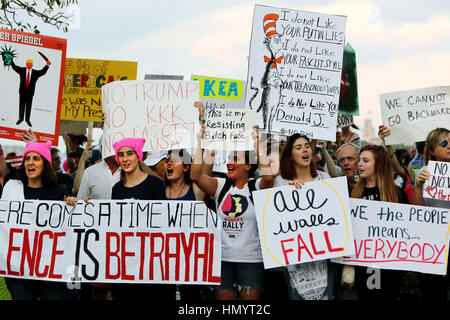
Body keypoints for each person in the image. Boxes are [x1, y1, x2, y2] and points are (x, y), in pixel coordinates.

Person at [190, 125, 274, 300]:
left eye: (235, 158)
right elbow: (195, 176)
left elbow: (268, 177)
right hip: (222, 261)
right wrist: (200, 144)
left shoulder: (256, 187)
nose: (229, 162)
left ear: (248, 166)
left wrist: (258, 144)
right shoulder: (221, 186)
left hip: (251, 262)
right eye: (229, 158)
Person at [1, 141, 77, 300]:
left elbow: (67, 231)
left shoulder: (59, 192)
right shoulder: (11, 188)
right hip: (18, 267)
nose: (30, 162)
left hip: (48, 269)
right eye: (27, 158)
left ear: (45, 164)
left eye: (36, 158)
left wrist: (74, 207)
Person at [108, 137, 175, 301]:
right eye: (121, 155)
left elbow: (162, 222)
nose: (125, 159)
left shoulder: (155, 184)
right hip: (126, 263)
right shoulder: (116, 189)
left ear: (138, 156)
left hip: (150, 263)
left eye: (130, 154)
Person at [272, 133, 335, 300]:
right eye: (298, 147)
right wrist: (287, 192)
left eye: (307, 146)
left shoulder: (325, 179)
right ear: (290, 156)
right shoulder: (281, 182)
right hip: (294, 263)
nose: (305, 149)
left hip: (324, 260)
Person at [349, 144, 409, 301]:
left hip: (391, 264)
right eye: (360, 160)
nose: (359, 164)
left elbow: (407, 228)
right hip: (366, 264)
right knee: (369, 295)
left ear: (379, 164)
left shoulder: (395, 194)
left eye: (366, 160)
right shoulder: (353, 194)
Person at [412, 127, 450, 300]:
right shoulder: (425, 174)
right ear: (432, 150)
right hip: (435, 241)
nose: (449, 146)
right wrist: (418, 187)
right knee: (434, 291)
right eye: (444, 143)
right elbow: (418, 212)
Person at [10, 55, 51, 127]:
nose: (29, 65)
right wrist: (11, 60)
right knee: (21, 105)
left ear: (32, 65)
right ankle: (20, 118)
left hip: (30, 93)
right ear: (26, 64)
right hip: (22, 92)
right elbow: (14, 67)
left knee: (29, 106)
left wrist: (47, 65)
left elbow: (42, 72)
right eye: (27, 64)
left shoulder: (35, 73)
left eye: (30, 64)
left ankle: (27, 120)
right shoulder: (22, 70)